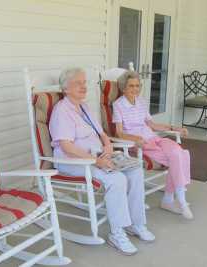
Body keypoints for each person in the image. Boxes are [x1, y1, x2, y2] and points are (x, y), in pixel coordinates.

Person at [49, 67, 155, 255]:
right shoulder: (61, 111)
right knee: (117, 179)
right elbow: (66, 146)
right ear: (65, 88)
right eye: (78, 83)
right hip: (74, 161)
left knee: (136, 171)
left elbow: (102, 134)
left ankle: (136, 224)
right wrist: (95, 160)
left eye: (84, 82)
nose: (83, 86)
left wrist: (107, 145)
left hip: (98, 155)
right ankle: (117, 233)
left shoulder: (84, 107)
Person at [112, 70, 193, 220]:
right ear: (124, 88)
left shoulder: (141, 102)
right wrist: (136, 138)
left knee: (178, 152)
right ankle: (175, 200)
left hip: (153, 139)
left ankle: (174, 199)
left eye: (138, 85)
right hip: (139, 144)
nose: (135, 89)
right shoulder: (118, 105)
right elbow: (119, 133)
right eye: (131, 86)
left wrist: (175, 128)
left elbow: (152, 125)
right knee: (177, 157)